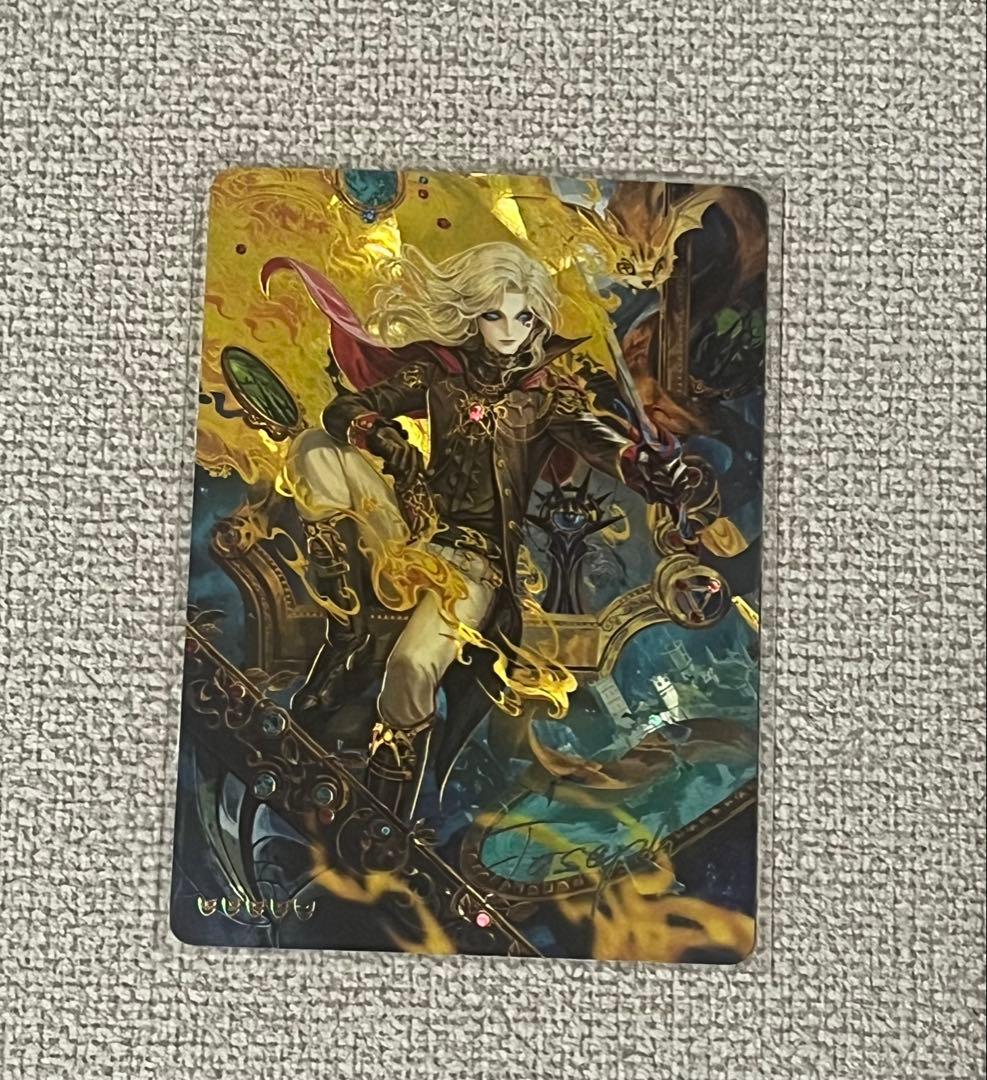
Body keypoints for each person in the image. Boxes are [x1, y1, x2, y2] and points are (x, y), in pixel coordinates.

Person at [262, 241, 691, 820]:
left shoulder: (546, 400)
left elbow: (598, 439)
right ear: (473, 316)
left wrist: (644, 466)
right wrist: (381, 436)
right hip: (409, 531)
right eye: (494, 315)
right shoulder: (440, 374)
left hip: (473, 566)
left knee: (411, 668)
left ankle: (383, 810)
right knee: (315, 447)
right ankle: (348, 626)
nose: (510, 330)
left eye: (522, 316)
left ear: (537, 319)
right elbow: (344, 412)